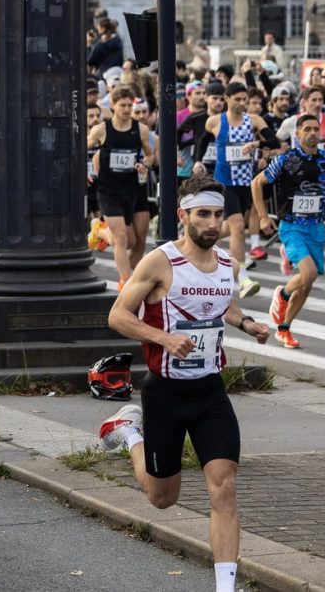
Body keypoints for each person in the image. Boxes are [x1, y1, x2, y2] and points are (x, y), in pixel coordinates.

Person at [98, 175, 272, 592]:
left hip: (210, 391)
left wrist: (248, 323)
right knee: (162, 498)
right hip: (165, 392)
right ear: (183, 216)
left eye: (217, 215)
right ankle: (128, 431)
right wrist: (163, 338)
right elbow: (118, 316)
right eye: (203, 215)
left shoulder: (227, 263)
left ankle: (225, 587)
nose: (213, 224)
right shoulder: (160, 261)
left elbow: (223, 306)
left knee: (224, 485)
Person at [253, 114, 325, 349]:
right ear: (298, 134)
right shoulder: (287, 159)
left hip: (316, 227)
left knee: (307, 283)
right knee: (309, 273)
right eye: (308, 129)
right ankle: (282, 295)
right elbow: (257, 183)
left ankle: (284, 329)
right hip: (292, 226)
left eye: (316, 129)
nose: (313, 133)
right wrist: (263, 216)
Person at [202, 83, 267, 298]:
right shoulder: (215, 121)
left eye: (244, 99)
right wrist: (197, 162)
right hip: (225, 182)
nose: (242, 103)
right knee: (238, 227)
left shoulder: (254, 120)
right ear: (227, 99)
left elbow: (274, 140)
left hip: (245, 182)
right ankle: (242, 278)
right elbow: (201, 142)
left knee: (232, 227)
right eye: (237, 99)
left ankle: (197, 235)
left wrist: (256, 144)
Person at [91, 87, 155, 291]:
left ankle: (132, 275)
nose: (127, 109)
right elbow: (81, 148)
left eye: (130, 105)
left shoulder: (141, 130)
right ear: (113, 106)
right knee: (121, 238)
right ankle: (125, 282)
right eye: (123, 105)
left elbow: (150, 156)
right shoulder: (102, 130)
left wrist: (145, 164)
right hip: (109, 191)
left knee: (138, 241)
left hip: (135, 190)